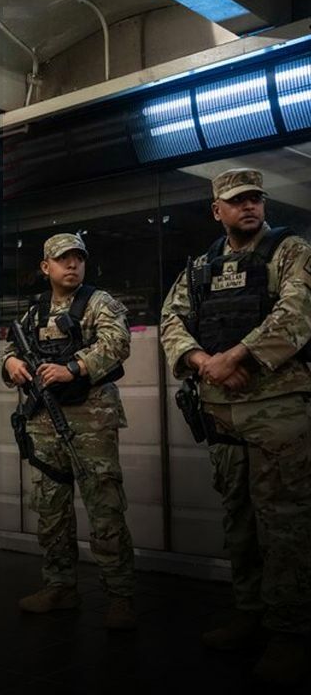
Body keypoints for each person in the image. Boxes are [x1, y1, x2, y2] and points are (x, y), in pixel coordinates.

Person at [160, 168, 311, 685]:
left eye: (255, 199)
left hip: (278, 413)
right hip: (222, 416)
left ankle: (292, 631)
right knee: (240, 519)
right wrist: (203, 362)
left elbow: (299, 309)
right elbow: (171, 321)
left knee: (286, 523)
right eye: (236, 200)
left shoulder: (292, 252)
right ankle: (250, 614)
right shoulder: (201, 267)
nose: (248, 207)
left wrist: (240, 354)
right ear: (216, 210)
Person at [3, 233, 137, 631]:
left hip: (91, 423)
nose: (73, 265)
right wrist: (11, 365)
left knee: (105, 508)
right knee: (51, 509)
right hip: (43, 422)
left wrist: (73, 368)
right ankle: (60, 586)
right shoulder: (35, 312)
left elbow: (118, 343)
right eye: (64, 259)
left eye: (78, 258)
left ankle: (119, 595)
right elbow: (11, 349)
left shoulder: (98, 303)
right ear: (46, 267)